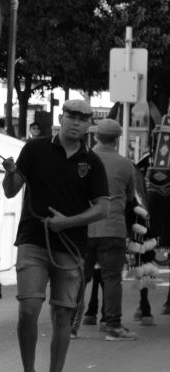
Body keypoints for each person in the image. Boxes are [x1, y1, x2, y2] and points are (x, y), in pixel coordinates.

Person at [2, 99, 107, 372]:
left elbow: (103, 207)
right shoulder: (34, 149)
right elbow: (11, 189)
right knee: (28, 310)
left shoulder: (93, 162)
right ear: (61, 118)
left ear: (90, 125)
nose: (76, 122)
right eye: (71, 116)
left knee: (63, 316)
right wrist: (11, 172)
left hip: (71, 248)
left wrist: (68, 222)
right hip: (33, 240)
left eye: (82, 118)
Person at [72, 118, 141, 340]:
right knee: (112, 279)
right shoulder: (125, 164)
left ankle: (70, 327)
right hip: (113, 228)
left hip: (84, 227)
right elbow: (131, 197)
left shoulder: (82, 160)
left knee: (80, 278)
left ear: (96, 136)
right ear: (117, 138)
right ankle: (112, 326)